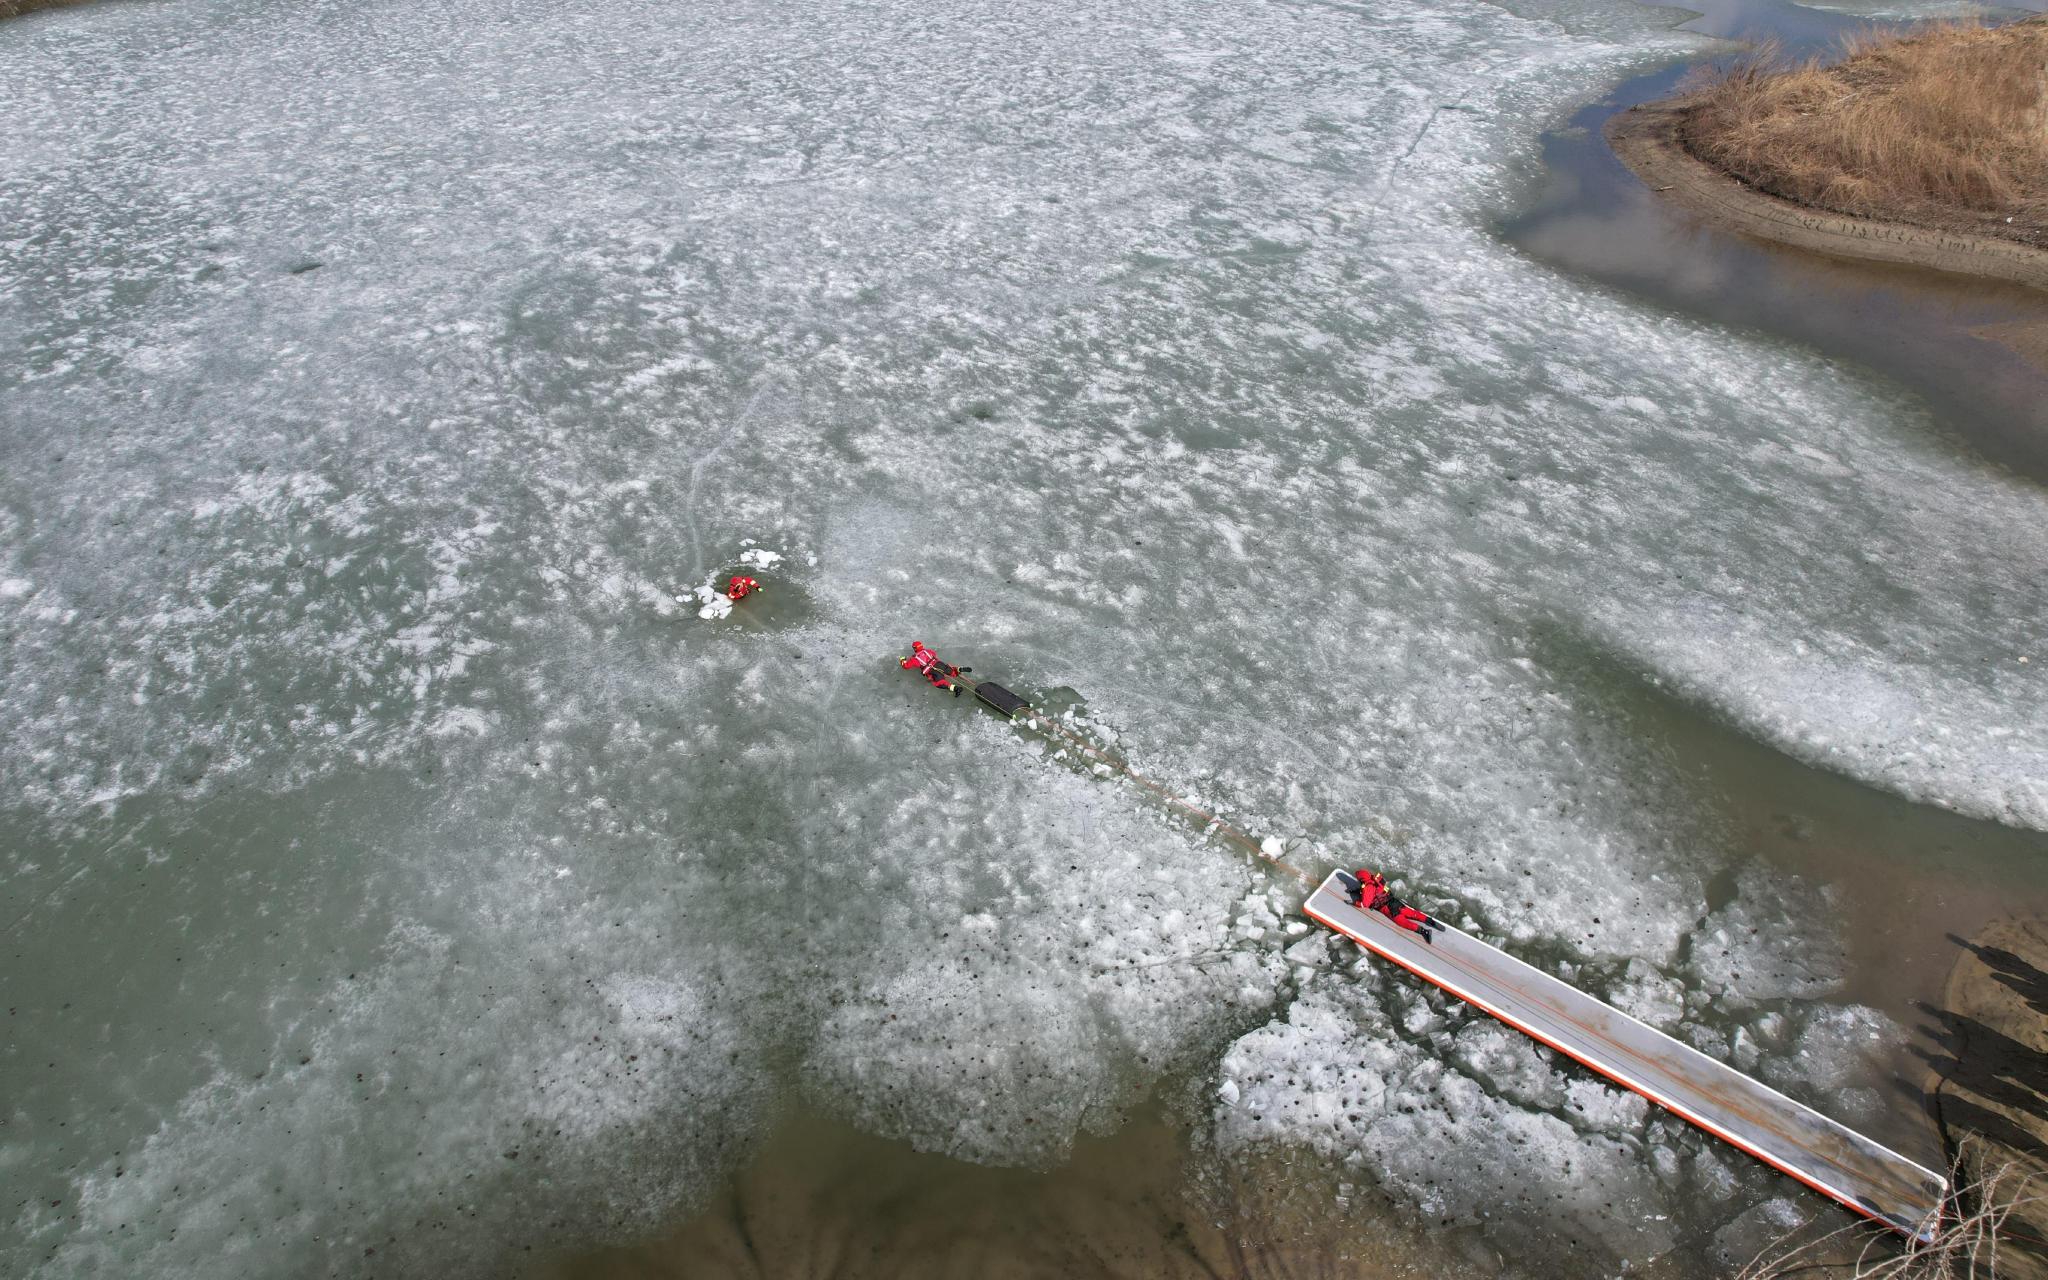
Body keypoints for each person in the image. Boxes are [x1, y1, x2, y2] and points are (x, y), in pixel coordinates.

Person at [1353, 869, 1441, 944]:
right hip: (1393, 901)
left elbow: (1365, 904)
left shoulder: (1368, 887)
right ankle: (1430, 921)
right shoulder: (1375, 879)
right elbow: (1378, 889)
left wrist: (1355, 903)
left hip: (1386, 908)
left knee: (1402, 921)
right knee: (1410, 912)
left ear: (1361, 879)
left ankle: (1423, 931)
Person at [900, 641, 971, 695]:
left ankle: (956, 688)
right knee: (951, 671)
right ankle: (959, 669)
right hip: (939, 664)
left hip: (932, 671)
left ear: (915, 648)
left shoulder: (914, 659)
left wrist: (902, 659)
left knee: (939, 683)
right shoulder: (927, 651)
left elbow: (906, 666)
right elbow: (934, 654)